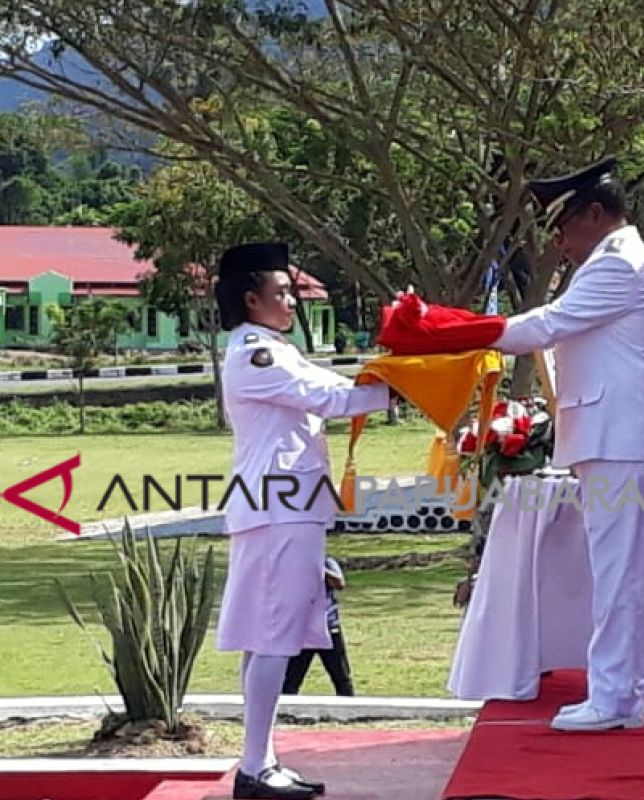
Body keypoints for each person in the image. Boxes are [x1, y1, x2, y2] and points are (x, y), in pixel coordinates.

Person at [488, 157, 644, 732]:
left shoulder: (615, 263)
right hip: (621, 434)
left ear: (595, 214)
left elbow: (550, 324)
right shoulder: (617, 257)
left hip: (618, 436)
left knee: (619, 570)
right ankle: (626, 689)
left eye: (565, 224)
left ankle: (614, 696)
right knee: (627, 569)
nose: (559, 240)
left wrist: (464, 329)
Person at [213, 242, 393, 800]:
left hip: (284, 505)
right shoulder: (254, 354)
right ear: (251, 299)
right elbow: (331, 397)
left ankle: (261, 760)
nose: (292, 300)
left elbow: (330, 389)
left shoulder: (272, 347)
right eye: (282, 292)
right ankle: (254, 768)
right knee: (274, 636)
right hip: (278, 506)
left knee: (266, 636)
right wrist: (403, 384)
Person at [282, 558, 354, 697]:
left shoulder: (327, 562)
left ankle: (350, 711)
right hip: (302, 631)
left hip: (329, 628)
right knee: (291, 680)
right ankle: (285, 713)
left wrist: (318, 569)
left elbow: (339, 583)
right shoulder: (293, 563)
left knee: (341, 677)